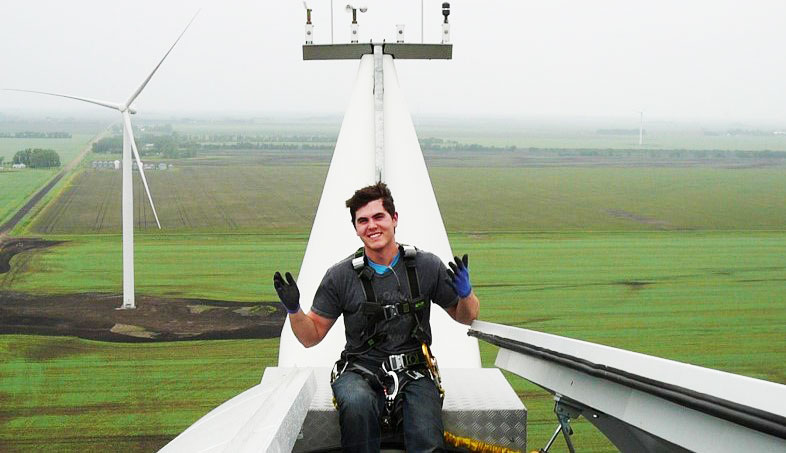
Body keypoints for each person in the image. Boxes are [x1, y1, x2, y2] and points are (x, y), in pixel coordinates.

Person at [274, 182, 479, 453]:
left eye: (378, 217)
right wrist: (294, 311)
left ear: (394, 219)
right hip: (359, 369)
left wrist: (466, 295)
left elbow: (466, 316)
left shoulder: (426, 267)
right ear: (356, 228)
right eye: (363, 220)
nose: (372, 226)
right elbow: (310, 336)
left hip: (415, 370)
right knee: (357, 405)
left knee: (426, 434)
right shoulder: (341, 276)